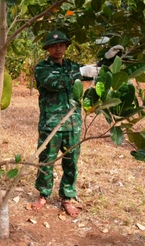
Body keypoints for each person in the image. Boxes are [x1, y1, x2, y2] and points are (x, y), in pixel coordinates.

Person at [31, 30, 123, 217]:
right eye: (54, 46)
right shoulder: (42, 68)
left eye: (62, 45)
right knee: (46, 160)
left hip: (73, 123)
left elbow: (95, 71)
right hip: (51, 123)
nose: (58, 49)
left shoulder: (71, 66)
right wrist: (80, 73)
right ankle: (43, 194)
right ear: (48, 48)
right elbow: (54, 83)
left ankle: (67, 197)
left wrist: (107, 59)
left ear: (65, 47)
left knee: (71, 162)